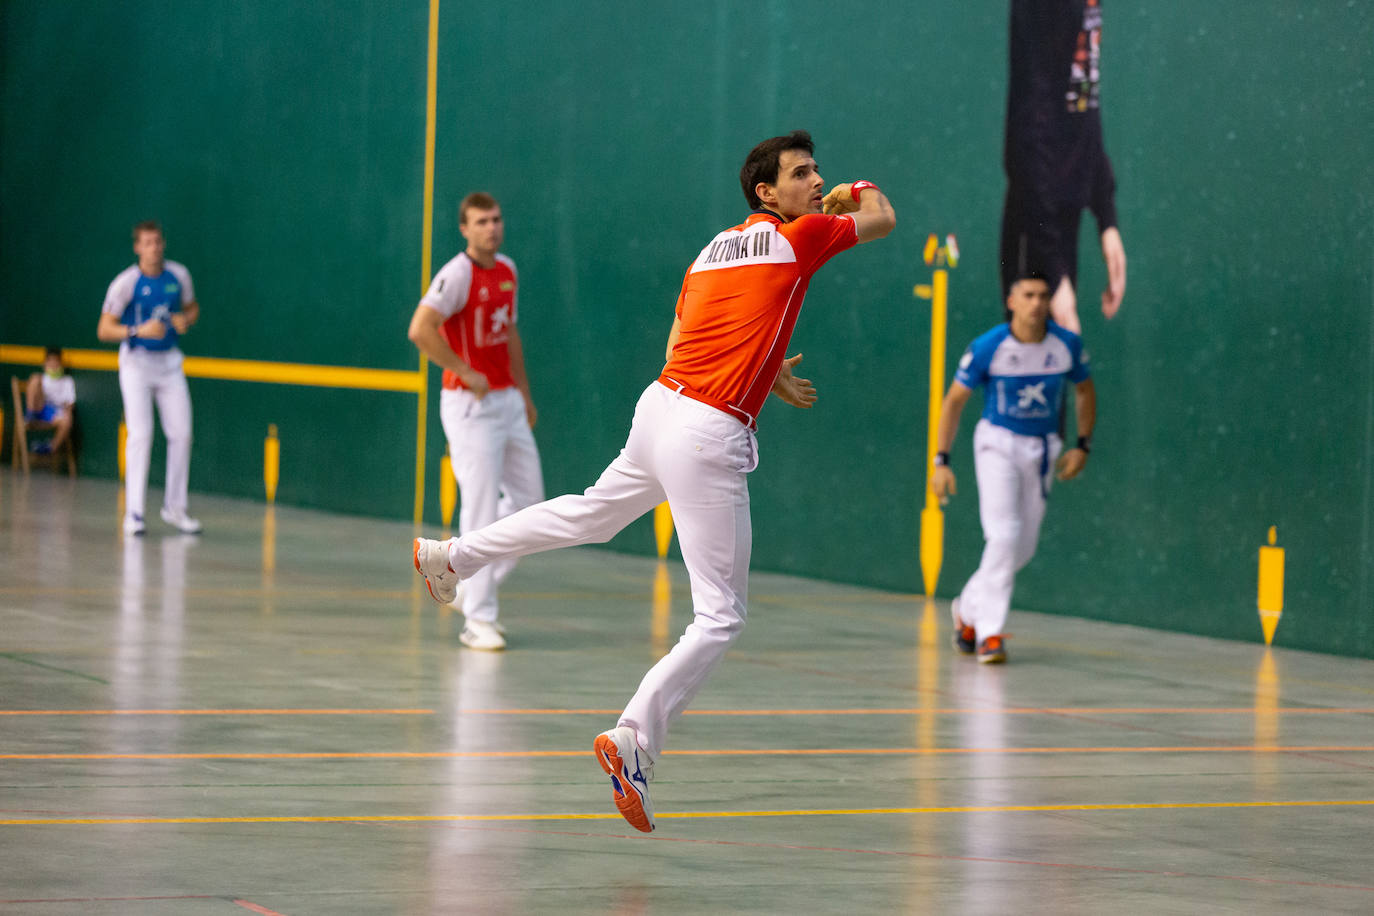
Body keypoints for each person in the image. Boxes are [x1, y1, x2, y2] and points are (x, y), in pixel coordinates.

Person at [412, 131, 894, 832]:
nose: (818, 183)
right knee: (721, 615)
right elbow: (882, 215)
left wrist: (768, 367)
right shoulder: (804, 236)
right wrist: (857, 188)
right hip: (707, 431)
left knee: (586, 514)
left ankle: (449, 556)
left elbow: (680, 340)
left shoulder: (708, 252)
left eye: (819, 173)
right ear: (767, 193)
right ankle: (634, 736)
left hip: (660, 406)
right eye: (803, 174)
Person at [931, 272, 1096, 663]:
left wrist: (1082, 445)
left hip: (1042, 450)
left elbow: (1085, 389)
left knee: (1021, 548)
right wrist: (942, 460)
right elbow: (954, 401)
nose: (1037, 303)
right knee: (1003, 536)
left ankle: (967, 610)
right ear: (1012, 300)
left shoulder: (1066, 345)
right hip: (997, 444)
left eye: (1043, 295)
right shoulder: (989, 347)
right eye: (1028, 295)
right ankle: (990, 634)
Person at [407, 192, 546, 651]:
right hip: (469, 405)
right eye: (482, 221)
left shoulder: (508, 269)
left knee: (531, 506)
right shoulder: (457, 273)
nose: (492, 227)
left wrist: (523, 392)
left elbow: (509, 334)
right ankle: (478, 619)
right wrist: (465, 370)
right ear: (464, 229)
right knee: (481, 510)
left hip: (507, 401)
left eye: (497, 219)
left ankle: (462, 577)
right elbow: (421, 328)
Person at [1000, 0, 1126, 333]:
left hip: (1061, 222)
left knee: (1056, 373)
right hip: (1036, 224)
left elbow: (1083, 103)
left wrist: (1106, 216)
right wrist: (1053, 275)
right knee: (1028, 377)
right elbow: (1028, 134)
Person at [96, 220, 202, 535]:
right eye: (147, 242)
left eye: (158, 241)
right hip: (136, 364)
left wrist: (186, 320)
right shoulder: (125, 284)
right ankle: (134, 514)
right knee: (141, 434)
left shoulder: (179, 276)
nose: (154, 247)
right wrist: (136, 330)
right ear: (137, 248)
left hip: (170, 363)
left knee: (182, 435)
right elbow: (104, 329)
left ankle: (175, 508)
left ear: (163, 244)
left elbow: (192, 308)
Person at [24, 347, 76, 455]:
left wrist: (67, 411)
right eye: (50, 360)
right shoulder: (41, 378)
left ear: (61, 363)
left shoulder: (67, 381)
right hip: (39, 409)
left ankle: (49, 448)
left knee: (68, 418)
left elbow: (70, 403)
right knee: (35, 378)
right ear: (45, 363)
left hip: (55, 414)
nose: (53, 364)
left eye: (56, 361)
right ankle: (30, 415)